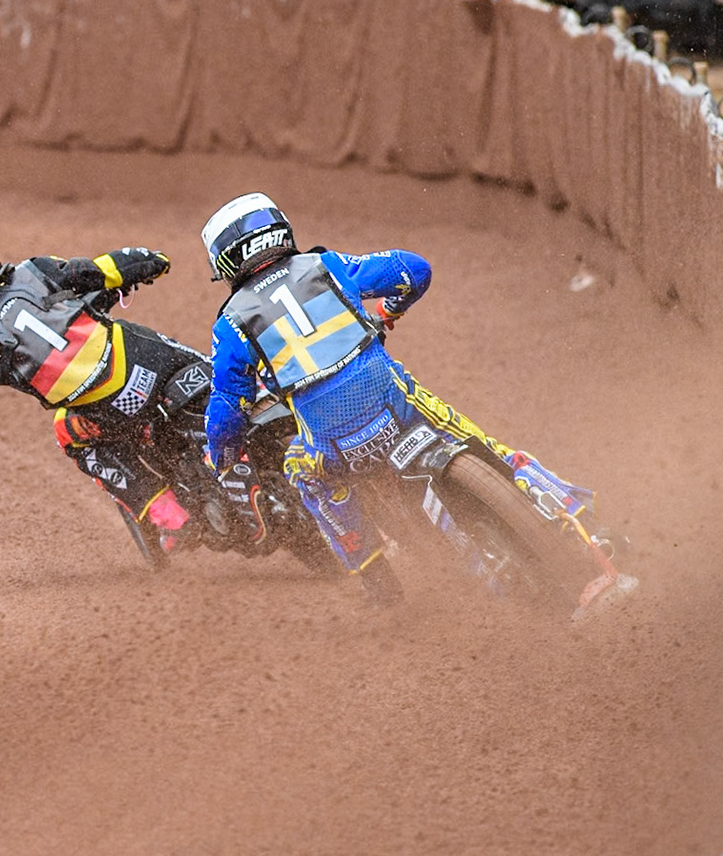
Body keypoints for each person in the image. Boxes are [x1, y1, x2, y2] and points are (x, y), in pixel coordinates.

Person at [198, 192, 630, 607]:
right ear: (280, 230)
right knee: (493, 450)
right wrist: (387, 313)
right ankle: (588, 527)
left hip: (334, 447)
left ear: (226, 261)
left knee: (303, 473)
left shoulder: (232, 322)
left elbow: (224, 414)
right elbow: (414, 269)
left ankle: (375, 577)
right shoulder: (326, 266)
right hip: (398, 407)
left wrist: (225, 456)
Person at [0, 229, 210, 549]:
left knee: (67, 431)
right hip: (153, 361)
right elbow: (102, 270)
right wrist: (152, 261)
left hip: (113, 409)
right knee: (216, 372)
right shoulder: (34, 271)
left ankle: (170, 516)